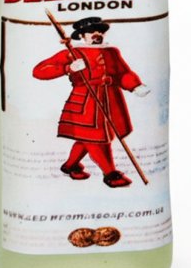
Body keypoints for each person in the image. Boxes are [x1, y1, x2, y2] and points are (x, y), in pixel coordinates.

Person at [32, 16, 150, 188]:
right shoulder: (72, 53)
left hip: (111, 99)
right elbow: (39, 71)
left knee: (90, 136)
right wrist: (68, 68)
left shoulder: (112, 52)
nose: (97, 34)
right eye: (91, 31)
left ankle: (70, 166)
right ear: (81, 35)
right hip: (85, 100)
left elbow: (123, 73)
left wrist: (135, 86)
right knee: (95, 138)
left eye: (100, 31)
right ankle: (110, 173)